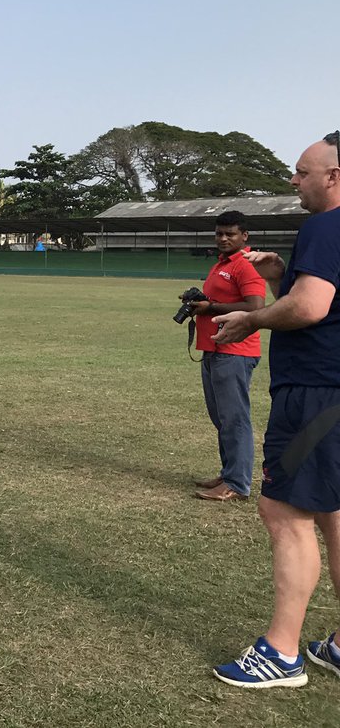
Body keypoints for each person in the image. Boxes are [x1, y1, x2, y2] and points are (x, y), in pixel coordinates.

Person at [210, 135, 340, 688]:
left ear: (333, 176)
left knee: (286, 515)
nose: (294, 182)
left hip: (317, 392)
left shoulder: (327, 225)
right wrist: (286, 273)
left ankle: (281, 652)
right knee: (334, 516)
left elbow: (312, 308)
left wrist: (253, 319)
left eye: (301, 172)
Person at [185, 211, 267, 502]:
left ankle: (237, 483)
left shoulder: (246, 265)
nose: (223, 238)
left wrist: (211, 307)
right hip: (215, 349)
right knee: (221, 417)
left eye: (230, 233)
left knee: (235, 419)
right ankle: (229, 471)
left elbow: (256, 306)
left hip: (235, 351)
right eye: (219, 233)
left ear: (244, 236)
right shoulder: (222, 264)